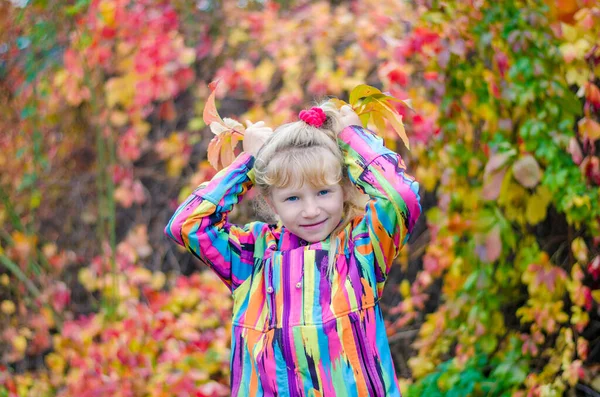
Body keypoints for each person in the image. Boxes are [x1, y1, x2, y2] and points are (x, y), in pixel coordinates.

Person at [165, 103, 421, 396]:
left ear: (344, 190)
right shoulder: (253, 257)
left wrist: (352, 138)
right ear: (272, 203)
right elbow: (186, 225)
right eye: (293, 198)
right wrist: (248, 162)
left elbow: (402, 197)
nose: (311, 211)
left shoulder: (362, 249)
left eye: (324, 191)